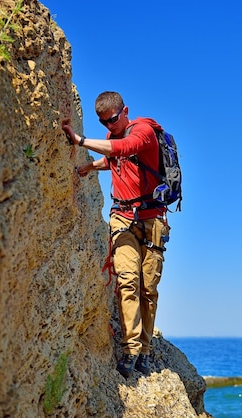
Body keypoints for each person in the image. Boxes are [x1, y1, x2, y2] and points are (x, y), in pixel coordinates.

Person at [62, 91, 170, 378]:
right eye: (103, 123)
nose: (108, 127)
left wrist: (81, 142)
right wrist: (88, 166)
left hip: (152, 220)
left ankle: (145, 350)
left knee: (148, 288)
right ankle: (130, 348)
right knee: (127, 281)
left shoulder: (143, 131)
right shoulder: (112, 139)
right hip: (122, 217)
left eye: (111, 120)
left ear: (125, 112)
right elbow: (114, 160)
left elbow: (123, 150)